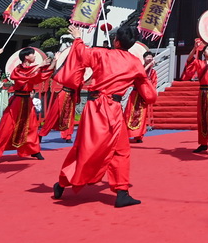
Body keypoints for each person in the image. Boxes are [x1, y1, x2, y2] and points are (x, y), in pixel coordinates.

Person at [52, 21, 157, 207]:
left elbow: (81, 54)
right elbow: (149, 95)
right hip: (114, 109)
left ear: (116, 41)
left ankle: (66, 183)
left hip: (94, 108)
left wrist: (77, 37)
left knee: (87, 147)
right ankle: (119, 191)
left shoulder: (101, 54)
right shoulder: (135, 63)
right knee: (119, 151)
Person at [0, 46, 54, 165]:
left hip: (27, 101)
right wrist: (40, 66)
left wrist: (53, 62)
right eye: (32, 54)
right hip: (17, 100)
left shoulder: (34, 69)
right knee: (7, 126)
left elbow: (40, 77)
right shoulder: (17, 69)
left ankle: (34, 150)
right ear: (26, 57)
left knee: (32, 126)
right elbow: (23, 78)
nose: (34, 56)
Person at [181, 39, 208, 156]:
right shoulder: (199, 63)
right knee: (202, 119)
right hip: (202, 93)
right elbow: (190, 60)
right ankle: (203, 144)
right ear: (204, 52)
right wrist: (194, 48)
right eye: (207, 49)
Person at [125, 50, 157, 143]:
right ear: (144, 58)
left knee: (142, 116)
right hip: (135, 94)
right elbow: (140, 74)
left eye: (151, 57)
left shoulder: (153, 72)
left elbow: (154, 83)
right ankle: (128, 134)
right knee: (130, 114)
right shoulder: (140, 68)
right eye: (148, 57)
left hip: (144, 96)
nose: (149, 59)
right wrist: (148, 66)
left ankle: (139, 136)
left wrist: (149, 92)